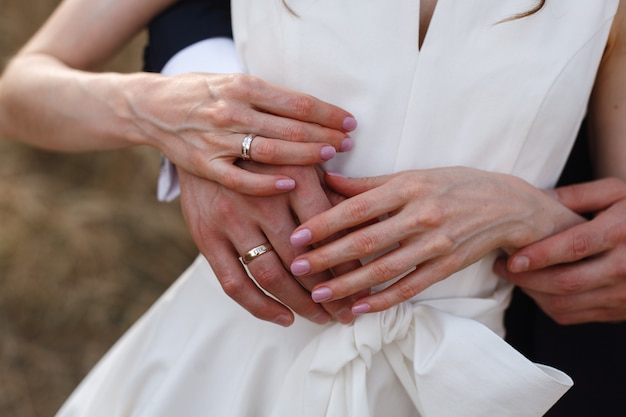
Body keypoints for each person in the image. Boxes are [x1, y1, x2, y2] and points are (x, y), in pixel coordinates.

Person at [1, 1, 625, 416]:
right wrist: (161, 109)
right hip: (232, 358)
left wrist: (523, 212)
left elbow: (614, 232)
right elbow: (21, 88)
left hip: (468, 383)